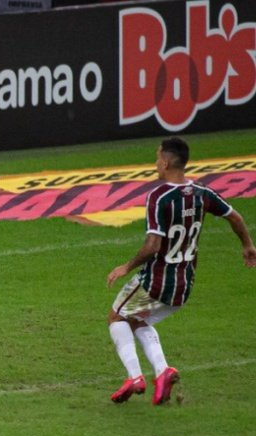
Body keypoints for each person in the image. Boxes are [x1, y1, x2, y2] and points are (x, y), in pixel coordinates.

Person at [106, 137, 256, 405]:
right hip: (184, 284)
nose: (155, 162)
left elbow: (153, 245)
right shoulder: (202, 192)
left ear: (164, 162)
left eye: (156, 157)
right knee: (138, 320)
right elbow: (235, 216)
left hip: (157, 280)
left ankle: (135, 377)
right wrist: (247, 245)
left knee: (117, 317)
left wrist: (126, 266)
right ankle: (163, 372)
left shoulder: (159, 196)